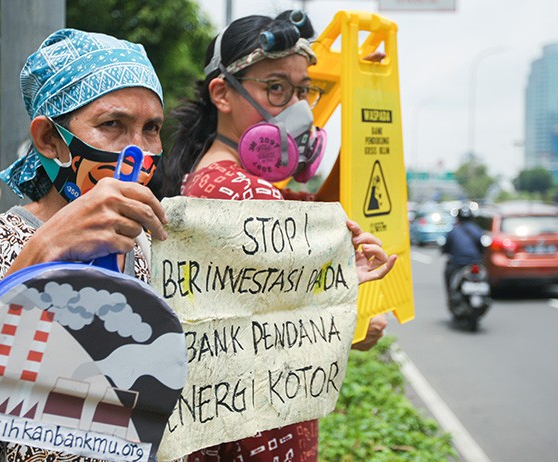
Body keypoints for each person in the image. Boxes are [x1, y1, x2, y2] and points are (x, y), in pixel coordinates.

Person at [157, 10, 396, 461]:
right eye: (276, 88)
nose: (298, 109)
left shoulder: (208, 178)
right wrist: (347, 329)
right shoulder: (243, 192)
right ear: (222, 93)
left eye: (303, 89)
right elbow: (275, 333)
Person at [0, 28, 169, 460]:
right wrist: (33, 262)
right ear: (50, 140)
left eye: (152, 129)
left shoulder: (149, 247)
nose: (139, 151)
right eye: (112, 124)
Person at [441, 205, 484, 298]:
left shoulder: (453, 231)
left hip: (458, 263)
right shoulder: (477, 229)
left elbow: (446, 247)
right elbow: (482, 247)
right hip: (475, 262)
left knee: (447, 273)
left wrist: (443, 252)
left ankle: (450, 295)